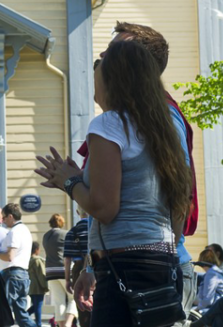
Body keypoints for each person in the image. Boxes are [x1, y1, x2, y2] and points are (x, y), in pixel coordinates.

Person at [36, 39, 193, 327]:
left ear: (113, 78)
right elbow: (180, 202)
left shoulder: (108, 124)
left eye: (101, 63)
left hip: (122, 264)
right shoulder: (165, 125)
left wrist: (70, 183)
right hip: (162, 261)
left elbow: (104, 208)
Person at [0, 203, 35, 327]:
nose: (2, 221)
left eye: (3, 218)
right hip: (21, 274)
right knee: (21, 315)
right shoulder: (25, 230)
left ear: (10, 216)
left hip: (12, 274)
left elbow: (10, 256)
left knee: (2, 310)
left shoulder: (14, 232)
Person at [43, 213, 73, 326]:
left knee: (58, 301)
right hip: (63, 269)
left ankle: (61, 325)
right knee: (73, 298)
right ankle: (68, 324)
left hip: (50, 271)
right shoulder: (65, 234)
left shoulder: (46, 235)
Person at [63, 209, 89, 327]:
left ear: (78, 212)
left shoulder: (72, 232)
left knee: (82, 303)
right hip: (98, 268)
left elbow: (67, 259)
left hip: (78, 269)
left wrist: (68, 279)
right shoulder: (97, 229)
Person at [195, 248, 223, 313]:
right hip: (221, 306)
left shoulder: (211, 274)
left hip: (216, 309)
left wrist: (196, 309)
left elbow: (208, 299)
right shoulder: (217, 272)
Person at [28, 242, 47, 327]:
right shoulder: (38, 261)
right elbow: (41, 275)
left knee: (35, 305)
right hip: (39, 287)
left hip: (31, 287)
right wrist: (45, 286)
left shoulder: (27, 260)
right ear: (36, 250)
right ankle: (38, 324)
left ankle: (23, 315)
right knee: (38, 306)